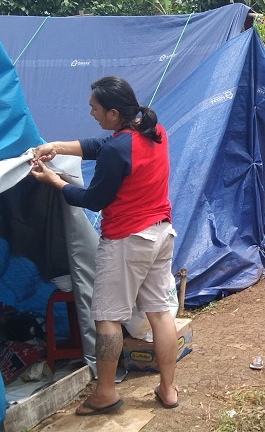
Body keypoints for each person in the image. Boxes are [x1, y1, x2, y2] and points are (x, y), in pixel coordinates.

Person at [30, 76, 179, 415]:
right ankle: (168, 390)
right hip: (161, 234)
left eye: (95, 109)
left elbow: (94, 200)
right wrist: (57, 145)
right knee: (159, 312)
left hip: (127, 241)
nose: (91, 113)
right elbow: (103, 147)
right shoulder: (155, 132)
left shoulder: (118, 149)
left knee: (108, 318)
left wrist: (54, 180)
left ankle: (106, 393)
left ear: (114, 113)